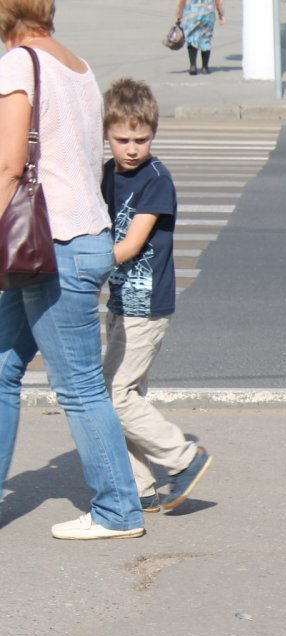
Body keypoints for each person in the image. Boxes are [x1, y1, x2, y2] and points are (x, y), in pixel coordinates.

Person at [0, 0, 144, 540]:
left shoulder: (17, 64)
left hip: (49, 247)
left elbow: (11, 164)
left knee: (80, 387)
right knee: (1, 368)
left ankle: (117, 509)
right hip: (78, 239)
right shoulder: (77, 65)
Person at [100, 78, 212, 514]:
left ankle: (184, 459)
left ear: (154, 134)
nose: (131, 148)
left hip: (147, 307)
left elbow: (128, 245)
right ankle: (140, 485)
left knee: (112, 395)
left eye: (141, 139)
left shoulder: (156, 181)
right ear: (107, 134)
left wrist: (80, 265)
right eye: (122, 139)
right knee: (123, 396)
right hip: (120, 301)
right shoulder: (108, 174)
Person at [176, 0, 224, 76]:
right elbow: (218, 1)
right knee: (206, 39)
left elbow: (182, 1)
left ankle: (193, 66)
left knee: (192, 38)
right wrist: (221, 14)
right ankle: (205, 67)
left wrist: (179, 15)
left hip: (192, 12)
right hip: (208, 13)